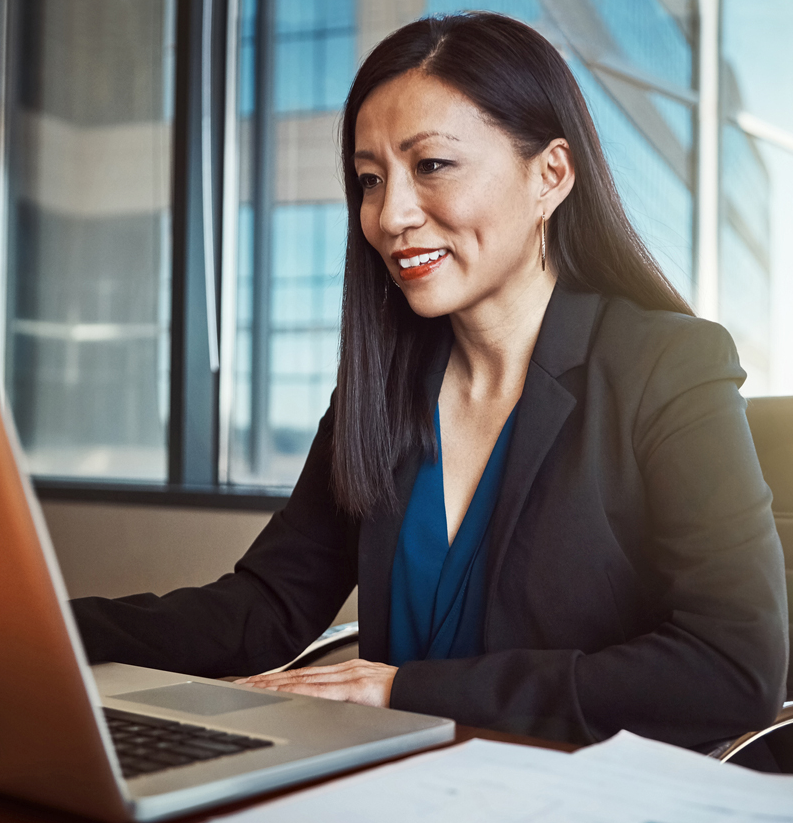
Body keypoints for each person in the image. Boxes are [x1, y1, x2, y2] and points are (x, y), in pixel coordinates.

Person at [71, 12, 788, 750]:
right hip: (401, 785)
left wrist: (397, 688)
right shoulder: (384, 387)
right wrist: (52, 629)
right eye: (370, 180)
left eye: (432, 166)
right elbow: (267, 604)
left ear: (550, 174)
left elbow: (733, 667)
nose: (390, 215)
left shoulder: (669, 367)